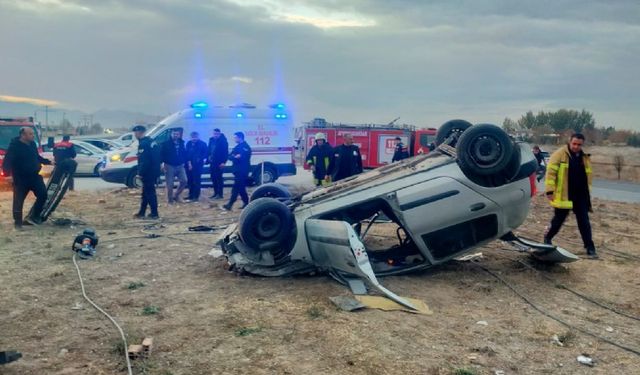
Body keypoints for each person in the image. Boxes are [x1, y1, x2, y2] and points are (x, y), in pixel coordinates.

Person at [544, 133, 597, 258]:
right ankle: (547, 238)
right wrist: (550, 191)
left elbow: (587, 176)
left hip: (581, 195)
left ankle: (590, 247)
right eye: (574, 144)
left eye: (579, 144)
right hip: (565, 194)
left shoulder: (584, 157)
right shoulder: (559, 154)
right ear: (569, 141)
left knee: (584, 222)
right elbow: (550, 173)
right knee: (558, 220)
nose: (576, 147)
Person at [3, 127, 52, 228]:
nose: (33, 136)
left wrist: (48, 162)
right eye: (30, 134)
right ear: (23, 135)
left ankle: (34, 217)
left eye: (33, 134)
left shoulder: (32, 144)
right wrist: (7, 175)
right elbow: (7, 161)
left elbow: (37, 157)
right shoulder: (15, 146)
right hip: (21, 178)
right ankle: (18, 223)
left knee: (43, 195)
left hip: (34, 176)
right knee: (18, 201)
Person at [133, 125, 161, 219]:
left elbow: (144, 161)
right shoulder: (152, 142)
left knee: (150, 193)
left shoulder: (143, 144)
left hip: (148, 172)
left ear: (139, 132)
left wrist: (140, 173)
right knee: (145, 193)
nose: (135, 134)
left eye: (135, 133)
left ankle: (154, 213)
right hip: (154, 171)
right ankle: (142, 212)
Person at [222, 132, 251, 211]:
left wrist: (235, 157)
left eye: (235, 137)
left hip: (242, 170)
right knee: (241, 188)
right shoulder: (237, 147)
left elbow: (242, 158)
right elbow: (230, 156)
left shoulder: (246, 147)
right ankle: (246, 203)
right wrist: (235, 156)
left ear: (240, 137)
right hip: (237, 170)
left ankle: (230, 204)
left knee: (236, 188)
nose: (234, 139)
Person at [160, 129, 188, 204]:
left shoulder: (182, 143)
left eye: (177, 134)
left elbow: (184, 153)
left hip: (180, 165)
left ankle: (176, 195)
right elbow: (161, 154)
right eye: (174, 134)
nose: (175, 135)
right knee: (170, 184)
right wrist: (162, 163)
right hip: (169, 165)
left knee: (184, 180)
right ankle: (170, 200)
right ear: (171, 134)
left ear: (179, 135)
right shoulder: (165, 144)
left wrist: (185, 161)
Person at [185, 131, 208, 202]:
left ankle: (196, 196)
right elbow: (187, 154)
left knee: (196, 181)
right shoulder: (188, 144)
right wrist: (189, 163)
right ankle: (190, 195)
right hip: (189, 165)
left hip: (197, 166)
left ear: (198, 137)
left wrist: (202, 160)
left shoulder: (203, 144)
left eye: (195, 137)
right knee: (190, 181)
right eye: (192, 137)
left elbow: (205, 154)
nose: (194, 139)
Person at [208, 128, 228, 199]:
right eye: (214, 134)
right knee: (213, 178)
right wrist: (208, 157)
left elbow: (226, 153)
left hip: (219, 163)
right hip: (212, 162)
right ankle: (215, 193)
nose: (215, 135)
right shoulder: (211, 140)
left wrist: (223, 162)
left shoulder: (223, 141)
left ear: (219, 134)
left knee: (219, 178)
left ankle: (220, 194)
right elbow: (209, 150)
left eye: (217, 134)